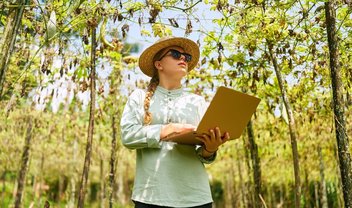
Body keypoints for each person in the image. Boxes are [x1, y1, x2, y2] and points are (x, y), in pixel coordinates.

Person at [120, 36, 230, 208]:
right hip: (150, 196)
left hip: (195, 197)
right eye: (175, 54)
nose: (182, 59)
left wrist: (210, 148)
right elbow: (127, 136)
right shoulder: (138, 97)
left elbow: (205, 156)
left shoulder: (197, 102)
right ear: (159, 64)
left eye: (186, 57)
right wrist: (165, 131)